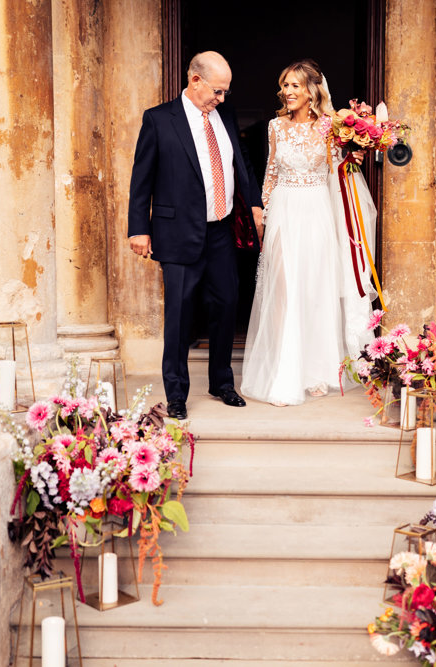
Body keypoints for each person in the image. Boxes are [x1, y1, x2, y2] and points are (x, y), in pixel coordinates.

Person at [128, 51, 263, 420]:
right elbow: (142, 179)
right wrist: (138, 227)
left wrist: (253, 203)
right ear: (195, 80)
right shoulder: (158, 119)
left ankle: (222, 383)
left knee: (226, 306)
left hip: (221, 229)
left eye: (225, 92)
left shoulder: (227, 116)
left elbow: (242, 164)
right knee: (180, 316)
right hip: (177, 232)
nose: (221, 99)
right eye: (217, 91)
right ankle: (176, 394)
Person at [240, 60, 376, 406]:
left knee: (315, 290)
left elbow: (336, 173)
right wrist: (263, 212)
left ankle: (317, 371)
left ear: (312, 90)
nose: (287, 92)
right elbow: (270, 171)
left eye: (295, 86)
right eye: (284, 85)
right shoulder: (275, 126)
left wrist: (353, 158)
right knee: (284, 291)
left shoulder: (331, 126)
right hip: (284, 210)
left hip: (317, 211)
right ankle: (285, 372)